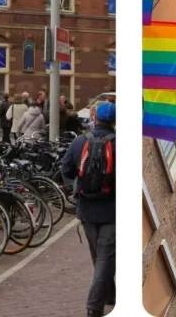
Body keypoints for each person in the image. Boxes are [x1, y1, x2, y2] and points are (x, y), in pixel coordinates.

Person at [61, 101, 116, 317]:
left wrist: (73, 189)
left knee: (99, 255)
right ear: (113, 121)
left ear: (95, 118)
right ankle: (94, 307)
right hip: (111, 210)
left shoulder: (80, 141)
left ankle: (110, 295)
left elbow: (65, 168)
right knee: (105, 256)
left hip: (86, 210)